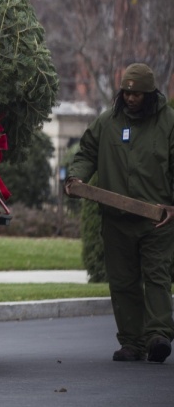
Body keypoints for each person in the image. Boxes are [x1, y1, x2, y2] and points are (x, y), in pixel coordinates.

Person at [65, 62, 174, 363]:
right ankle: (132, 342)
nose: (131, 99)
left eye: (137, 94)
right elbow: (86, 152)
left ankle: (158, 336)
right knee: (123, 281)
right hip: (116, 219)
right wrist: (77, 177)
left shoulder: (168, 122)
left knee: (156, 277)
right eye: (126, 93)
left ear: (150, 94)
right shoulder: (107, 122)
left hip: (157, 219)